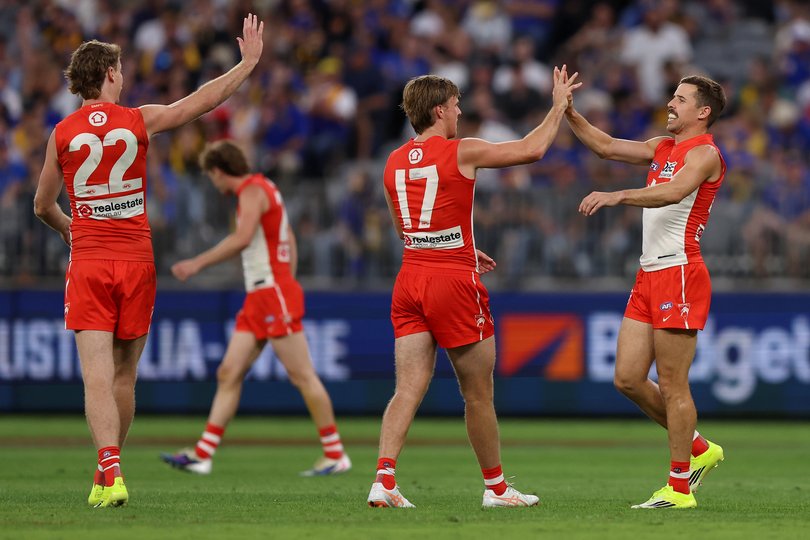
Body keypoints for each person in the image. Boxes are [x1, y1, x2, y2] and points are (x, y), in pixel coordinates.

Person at [32, 14, 264, 508]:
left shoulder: (62, 133)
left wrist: (71, 228)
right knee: (123, 374)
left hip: (91, 259)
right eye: (120, 69)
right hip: (136, 260)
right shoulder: (139, 119)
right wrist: (246, 66)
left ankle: (108, 471)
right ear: (110, 74)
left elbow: (41, 205)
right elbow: (200, 104)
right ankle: (108, 471)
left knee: (95, 374)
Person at [367, 67, 581, 508]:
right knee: (478, 393)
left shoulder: (391, 161)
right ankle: (497, 490)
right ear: (440, 110)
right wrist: (558, 105)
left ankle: (383, 481)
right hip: (451, 283)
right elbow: (532, 149)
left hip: (410, 277)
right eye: (457, 105)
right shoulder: (459, 151)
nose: (461, 112)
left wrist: (464, 245)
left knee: (407, 388)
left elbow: (404, 228)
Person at [568, 74, 727, 509]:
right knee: (627, 378)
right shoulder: (662, 146)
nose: (670, 103)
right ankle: (698, 449)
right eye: (672, 95)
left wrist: (617, 196)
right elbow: (605, 145)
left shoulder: (706, 154)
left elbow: (674, 192)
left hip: (680, 271)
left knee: (674, 384)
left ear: (703, 111)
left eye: (680, 98)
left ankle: (679, 490)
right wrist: (567, 111)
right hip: (649, 274)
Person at [160, 139, 351, 477]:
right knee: (228, 372)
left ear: (219, 171)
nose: (213, 183)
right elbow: (287, 236)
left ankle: (335, 454)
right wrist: (286, 279)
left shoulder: (250, 191)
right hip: (263, 295)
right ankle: (203, 454)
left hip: (271, 293)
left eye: (211, 176)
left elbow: (243, 238)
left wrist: (197, 263)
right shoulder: (265, 188)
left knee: (302, 375)